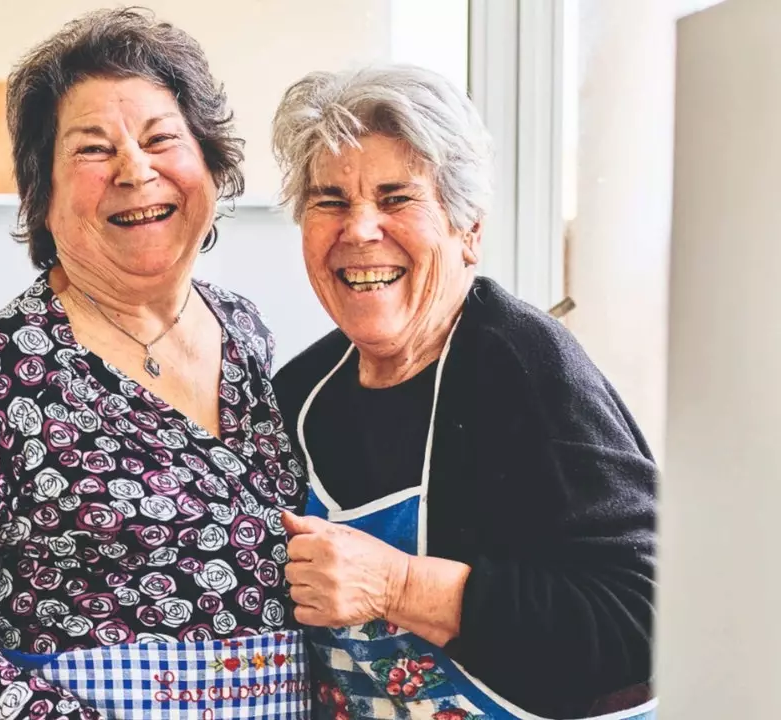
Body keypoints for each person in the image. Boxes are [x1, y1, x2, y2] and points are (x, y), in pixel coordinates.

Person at [0, 8, 310, 720]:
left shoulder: (248, 332)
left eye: (162, 139)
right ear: (42, 196)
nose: (136, 169)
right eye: (93, 149)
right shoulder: (0, 368)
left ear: (212, 167)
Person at [267, 63, 658, 719]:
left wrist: (397, 585)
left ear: (468, 229)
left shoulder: (526, 368)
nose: (359, 230)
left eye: (396, 199)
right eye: (330, 201)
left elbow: (648, 616)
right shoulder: (300, 391)